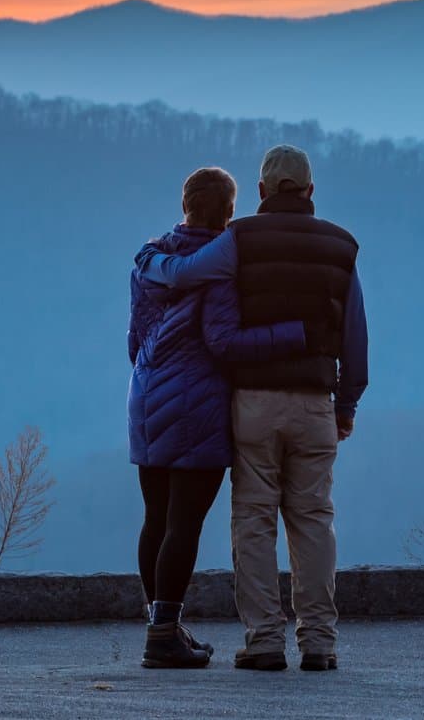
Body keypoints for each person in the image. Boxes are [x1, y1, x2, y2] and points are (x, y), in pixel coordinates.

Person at [137, 144, 368, 673]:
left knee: (253, 519)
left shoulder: (238, 239)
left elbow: (184, 273)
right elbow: (356, 338)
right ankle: (319, 643)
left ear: (261, 192)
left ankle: (264, 640)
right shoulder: (341, 247)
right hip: (315, 402)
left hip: (254, 404)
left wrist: (149, 257)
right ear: (311, 190)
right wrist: (347, 404)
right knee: (313, 519)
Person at [127, 166, 311, 669]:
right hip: (197, 404)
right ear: (230, 211)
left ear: (184, 203)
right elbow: (223, 341)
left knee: (156, 518)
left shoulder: (149, 259)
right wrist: (295, 334)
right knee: (184, 524)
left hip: (144, 396)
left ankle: (161, 627)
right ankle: (163, 636)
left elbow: (132, 339)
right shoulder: (222, 267)